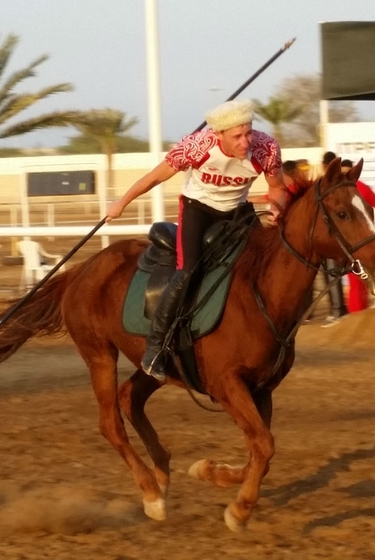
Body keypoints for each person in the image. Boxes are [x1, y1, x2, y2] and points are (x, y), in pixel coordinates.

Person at [105, 99, 289, 381]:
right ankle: (156, 347)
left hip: (237, 212)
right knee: (188, 271)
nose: (245, 142)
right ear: (219, 135)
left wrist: (277, 206)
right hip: (198, 210)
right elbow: (155, 177)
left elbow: (277, 188)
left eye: (249, 133)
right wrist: (121, 202)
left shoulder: (266, 148)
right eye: (237, 136)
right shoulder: (196, 147)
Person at [340, 159, 375, 313]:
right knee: (363, 277)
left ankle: (356, 313)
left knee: (356, 279)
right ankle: (360, 312)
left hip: (351, 241)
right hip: (364, 240)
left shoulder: (342, 190)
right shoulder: (362, 187)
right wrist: (371, 225)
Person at [320, 152, 349, 326]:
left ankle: (338, 310)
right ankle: (338, 309)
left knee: (332, 274)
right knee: (331, 274)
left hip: (333, 236)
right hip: (332, 236)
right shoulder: (338, 184)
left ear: (325, 166)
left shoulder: (329, 185)